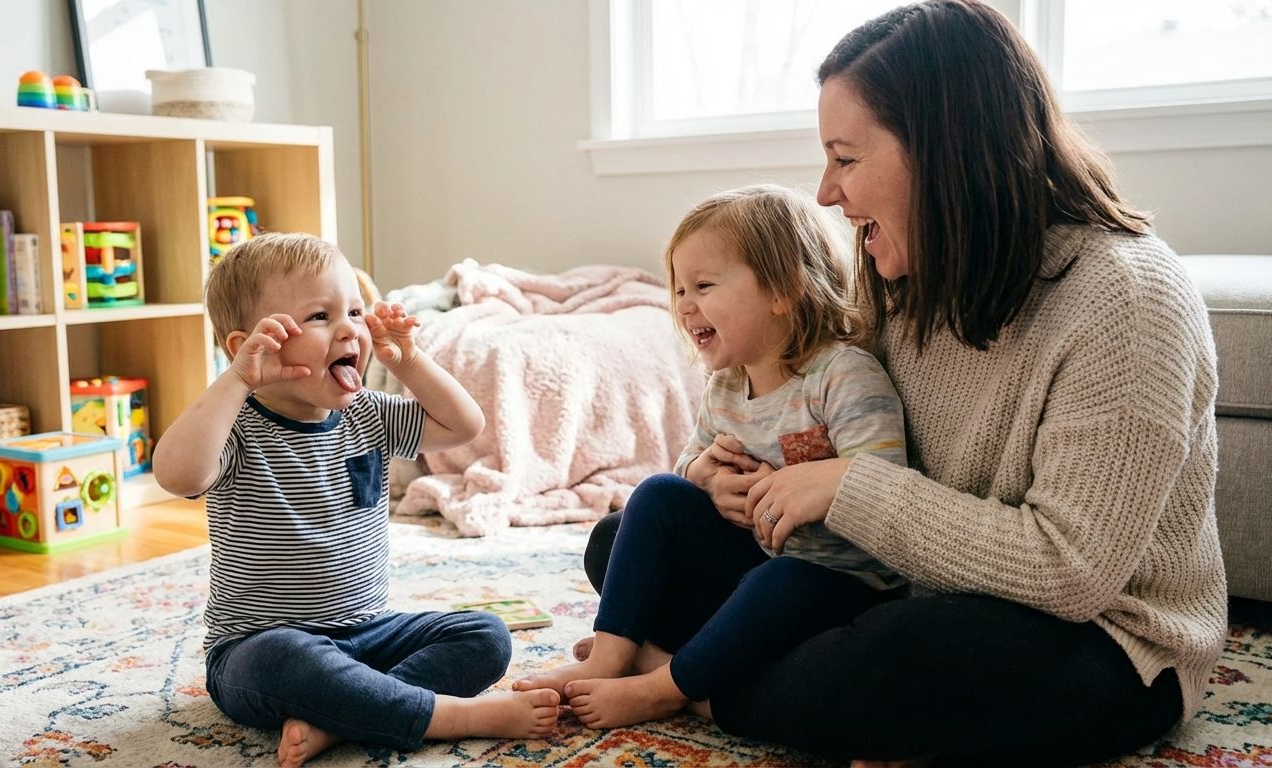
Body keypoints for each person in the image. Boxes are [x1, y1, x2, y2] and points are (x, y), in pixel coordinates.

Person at [582, 2, 1227, 766]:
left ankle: (701, 682)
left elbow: (1069, 574)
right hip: (898, 589)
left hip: (1096, 638)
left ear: (947, 150)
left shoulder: (1126, 299)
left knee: (901, 653)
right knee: (625, 539)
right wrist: (729, 480)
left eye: (846, 159)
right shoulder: (901, 268)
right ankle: (749, 682)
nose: (825, 193)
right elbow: (820, 418)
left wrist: (845, 487)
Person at [152, 233, 560, 767]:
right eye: (319, 316)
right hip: (258, 647)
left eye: (354, 311)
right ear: (248, 347)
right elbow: (177, 475)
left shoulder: (367, 412)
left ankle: (339, 717)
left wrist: (410, 359)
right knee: (287, 658)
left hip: (369, 632)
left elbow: (465, 425)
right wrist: (234, 383)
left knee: (485, 635)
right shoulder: (236, 429)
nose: (349, 328)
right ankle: (450, 716)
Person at [515, 184, 909, 730]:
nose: (684, 305)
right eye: (678, 289)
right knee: (637, 512)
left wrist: (798, 491)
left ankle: (665, 685)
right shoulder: (725, 386)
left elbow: (884, 486)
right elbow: (688, 464)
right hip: (754, 568)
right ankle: (613, 658)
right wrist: (706, 478)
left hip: (835, 587)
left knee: (778, 583)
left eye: (703, 285)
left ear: (783, 291)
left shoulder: (842, 375)